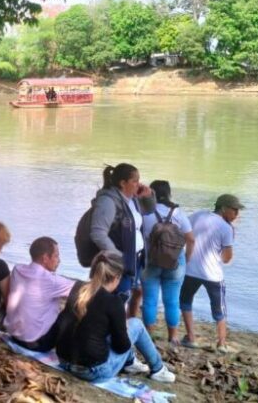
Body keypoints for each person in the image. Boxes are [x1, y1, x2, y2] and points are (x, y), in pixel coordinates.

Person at [55, 251, 176, 384]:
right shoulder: (113, 302)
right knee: (136, 325)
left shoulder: (78, 288)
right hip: (93, 372)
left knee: (101, 329)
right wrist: (122, 327)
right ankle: (158, 370)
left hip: (63, 361)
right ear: (117, 277)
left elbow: (62, 323)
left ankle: (130, 363)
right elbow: (122, 347)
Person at [179, 194, 244, 353]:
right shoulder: (226, 228)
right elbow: (227, 259)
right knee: (219, 309)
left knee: (185, 301)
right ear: (224, 208)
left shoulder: (198, 215)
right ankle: (221, 343)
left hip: (190, 270)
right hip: (213, 275)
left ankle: (191, 337)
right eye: (234, 210)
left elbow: (183, 231)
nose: (237, 214)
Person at [90, 163, 155, 318]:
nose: (139, 184)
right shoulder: (108, 201)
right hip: (118, 261)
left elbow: (150, 210)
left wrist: (149, 196)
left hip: (134, 259)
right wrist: (116, 256)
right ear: (123, 183)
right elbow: (98, 232)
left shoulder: (132, 200)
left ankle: (119, 331)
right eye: (135, 180)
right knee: (116, 298)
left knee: (124, 296)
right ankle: (110, 336)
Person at [141, 180, 195, 346]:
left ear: (152, 194)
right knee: (172, 301)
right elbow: (191, 239)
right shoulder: (178, 212)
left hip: (151, 259)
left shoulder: (145, 212)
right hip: (175, 261)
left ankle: (148, 335)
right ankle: (173, 336)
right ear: (169, 193)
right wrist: (186, 259)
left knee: (150, 300)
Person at [4, 237, 76, 351]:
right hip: (37, 344)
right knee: (71, 309)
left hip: (13, 335)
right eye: (56, 256)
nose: (59, 261)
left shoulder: (17, 269)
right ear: (45, 258)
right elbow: (85, 290)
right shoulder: (51, 280)